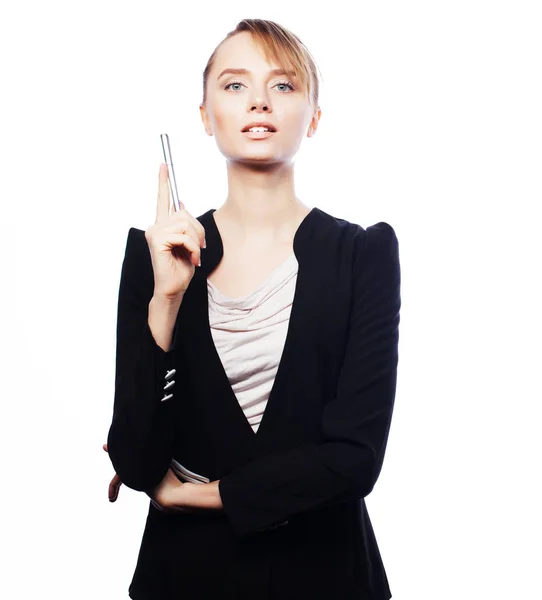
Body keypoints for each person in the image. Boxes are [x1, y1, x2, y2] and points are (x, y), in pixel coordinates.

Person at [105, 18, 401, 600]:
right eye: (235, 85)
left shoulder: (363, 254)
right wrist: (166, 299)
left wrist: (195, 492)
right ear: (205, 114)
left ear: (314, 116)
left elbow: (355, 459)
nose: (259, 101)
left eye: (284, 86)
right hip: (184, 579)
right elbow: (137, 462)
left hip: (328, 577)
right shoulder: (154, 258)